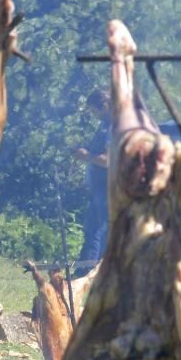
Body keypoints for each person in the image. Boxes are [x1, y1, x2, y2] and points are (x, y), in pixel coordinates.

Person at [73, 88, 110, 267]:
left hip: (108, 190)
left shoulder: (113, 126)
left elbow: (109, 161)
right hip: (98, 190)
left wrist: (86, 156)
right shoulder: (104, 125)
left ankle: (97, 272)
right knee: (91, 231)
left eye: (93, 110)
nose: (93, 114)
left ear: (104, 105)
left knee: (103, 232)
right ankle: (83, 273)